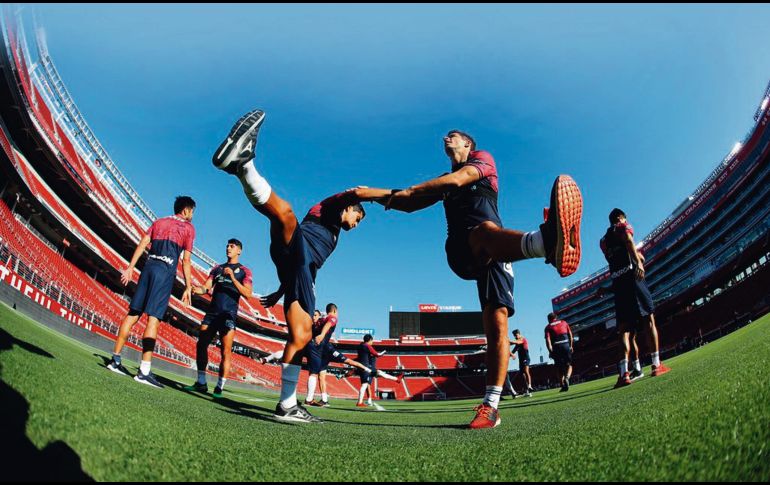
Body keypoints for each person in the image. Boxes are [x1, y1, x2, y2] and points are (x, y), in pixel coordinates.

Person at [383, 129, 583, 429]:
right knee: (478, 234)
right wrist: (367, 195)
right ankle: (544, 243)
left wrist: (412, 190)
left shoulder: (482, 159)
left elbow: (456, 180)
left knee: (497, 324)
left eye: (452, 136)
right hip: (462, 250)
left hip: (495, 247)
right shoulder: (443, 180)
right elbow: (410, 202)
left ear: (468, 143)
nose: (445, 139)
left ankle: (490, 407)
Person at [213, 109, 392, 423]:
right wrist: (390, 196)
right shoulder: (330, 208)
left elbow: (304, 262)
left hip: (297, 268)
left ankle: (286, 405)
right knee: (284, 213)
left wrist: (283, 288)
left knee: (300, 334)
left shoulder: (334, 234)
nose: (356, 224)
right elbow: (355, 193)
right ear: (350, 209)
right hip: (298, 254)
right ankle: (243, 165)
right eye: (357, 218)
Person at [107, 196, 196, 389]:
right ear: (187, 211)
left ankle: (115, 360)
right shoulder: (188, 229)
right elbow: (186, 261)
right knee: (153, 319)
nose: (192, 216)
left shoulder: (159, 222)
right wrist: (188, 286)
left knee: (133, 313)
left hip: (147, 268)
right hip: (164, 272)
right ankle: (144, 371)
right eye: (192, 212)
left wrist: (130, 267)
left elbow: (142, 244)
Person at [599, 208, 671, 389]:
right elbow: (629, 241)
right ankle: (656, 364)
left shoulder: (603, 242)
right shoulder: (623, 226)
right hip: (633, 279)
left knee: (623, 330)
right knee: (649, 320)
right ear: (621, 217)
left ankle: (624, 374)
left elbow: (616, 260)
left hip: (619, 282)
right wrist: (638, 261)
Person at [183, 239, 253, 398]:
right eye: (227, 245)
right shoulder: (217, 269)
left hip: (228, 315)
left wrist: (233, 279)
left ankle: (219, 387)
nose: (228, 248)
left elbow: (248, 294)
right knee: (201, 345)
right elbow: (206, 287)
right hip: (212, 313)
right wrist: (195, 289)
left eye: (232, 246)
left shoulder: (244, 271)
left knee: (225, 352)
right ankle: (201, 382)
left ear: (239, 251)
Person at [303, 303, 373, 407]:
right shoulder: (332, 318)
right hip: (323, 348)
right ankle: (310, 399)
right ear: (335, 311)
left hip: (319, 349)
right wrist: (322, 335)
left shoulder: (320, 321)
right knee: (315, 373)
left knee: (319, 375)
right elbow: (328, 325)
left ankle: (321, 399)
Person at [355, 334, 403, 407]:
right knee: (377, 375)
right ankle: (397, 379)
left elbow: (359, 357)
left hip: (361, 367)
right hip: (367, 367)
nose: (372, 342)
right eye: (372, 340)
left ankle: (360, 402)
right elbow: (377, 354)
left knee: (365, 384)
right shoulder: (367, 346)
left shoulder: (360, 346)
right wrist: (384, 351)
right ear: (370, 340)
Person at [544, 313, 573, 392]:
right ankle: (567, 377)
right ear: (556, 317)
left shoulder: (548, 327)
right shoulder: (564, 322)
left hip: (556, 347)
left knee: (558, 368)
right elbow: (570, 334)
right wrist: (570, 346)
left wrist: (550, 351)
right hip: (566, 344)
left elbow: (548, 340)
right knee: (569, 365)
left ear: (548, 319)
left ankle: (562, 385)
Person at [510, 329, 534, 397]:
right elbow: (513, 351)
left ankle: (530, 386)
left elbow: (517, 342)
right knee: (521, 374)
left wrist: (508, 341)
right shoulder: (517, 343)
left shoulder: (523, 339)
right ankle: (527, 390)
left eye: (516, 335)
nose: (515, 336)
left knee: (526, 371)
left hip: (526, 358)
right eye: (514, 336)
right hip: (520, 360)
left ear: (519, 334)